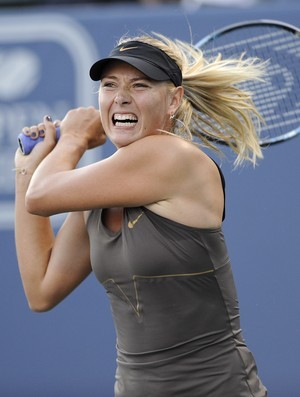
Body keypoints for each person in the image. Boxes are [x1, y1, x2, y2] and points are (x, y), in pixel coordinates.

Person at [14, 33, 268, 396]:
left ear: (174, 101)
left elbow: (42, 195)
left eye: (140, 84)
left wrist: (72, 138)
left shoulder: (172, 157)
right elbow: (41, 290)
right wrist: (26, 169)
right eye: (109, 85)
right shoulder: (104, 187)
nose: (120, 96)